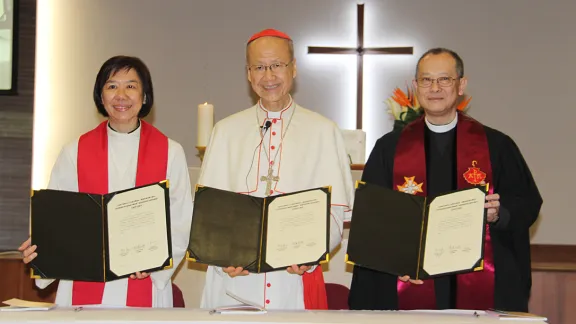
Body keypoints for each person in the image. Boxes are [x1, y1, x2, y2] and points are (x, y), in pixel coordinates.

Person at [348, 48, 542, 312]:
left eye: (444, 79)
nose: (435, 87)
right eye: (427, 80)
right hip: (409, 282)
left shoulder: (497, 146)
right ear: (416, 87)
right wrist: (394, 262)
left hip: (479, 281)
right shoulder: (389, 148)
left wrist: (499, 213)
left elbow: (528, 202)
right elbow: (370, 220)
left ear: (461, 85)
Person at [197, 29, 354, 310]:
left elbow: (334, 212)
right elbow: (208, 216)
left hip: (294, 283)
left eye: (277, 66)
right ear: (248, 73)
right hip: (233, 284)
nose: (268, 77)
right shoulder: (225, 132)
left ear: (293, 68)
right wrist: (222, 259)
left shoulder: (323, 131)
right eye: (259, 67)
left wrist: (311, 254)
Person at [18, 56, 193, 308]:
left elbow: (181, 220)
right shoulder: (74, 151)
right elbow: (56, 218)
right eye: (112, 86)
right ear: (101, 96)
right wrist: (41, 249)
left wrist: (155, 263)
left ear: (145, 97)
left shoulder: (170, 152)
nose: (121, 95)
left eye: (131, 86)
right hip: (82, 283)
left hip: (144, 283)